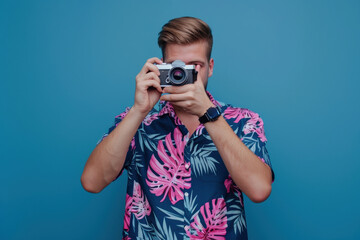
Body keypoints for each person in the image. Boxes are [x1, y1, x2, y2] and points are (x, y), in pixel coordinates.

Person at [81, 16, 274, 240]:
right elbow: (91, 182)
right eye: (176, 67)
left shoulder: (243, 121)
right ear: (161, 67)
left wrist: (209, 114)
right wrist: (138, 110)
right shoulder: (137, 121)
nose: (185, 76)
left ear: (210, 68)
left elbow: (260, 190)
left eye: (196, 66)